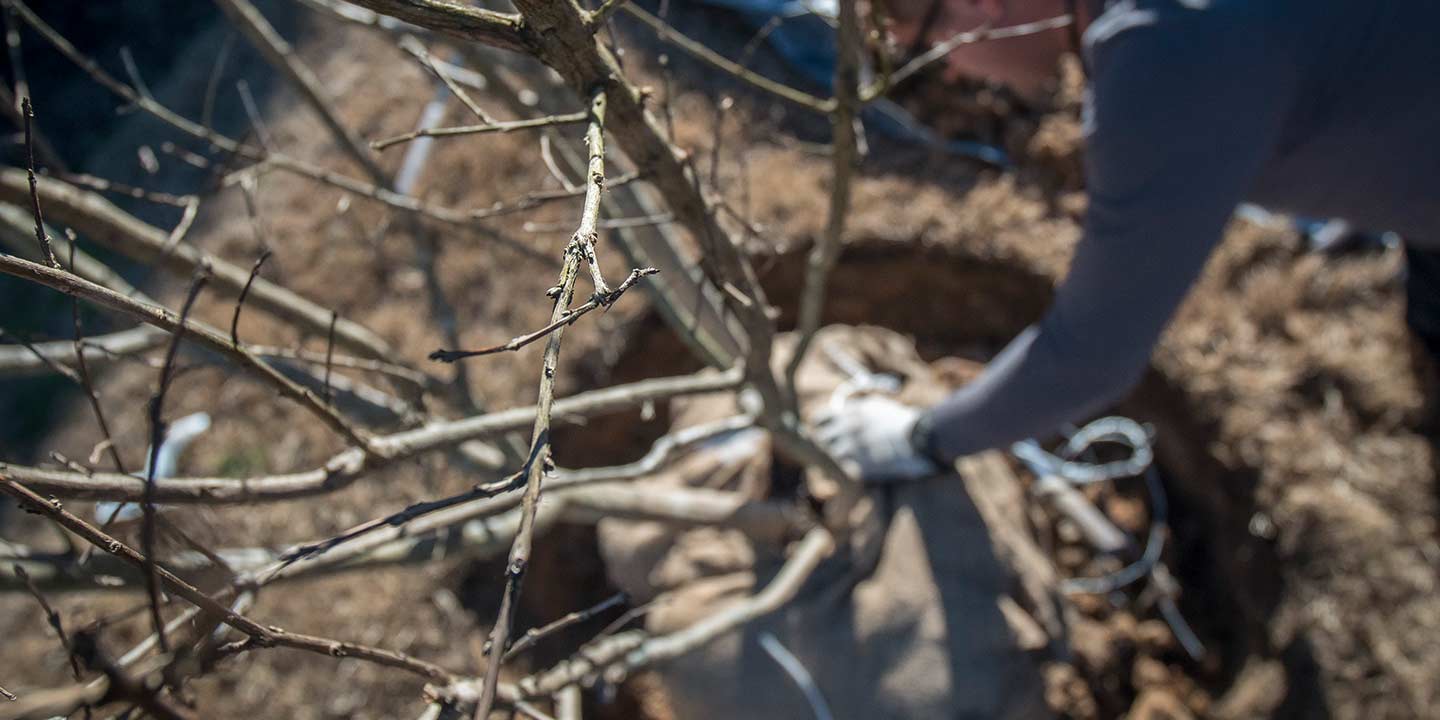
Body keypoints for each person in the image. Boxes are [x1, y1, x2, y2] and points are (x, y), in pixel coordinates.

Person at [814, 0, 1440, 480]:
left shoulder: (1162, 59)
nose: (950, 72)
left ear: (982, 4)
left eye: (932, 46)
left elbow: (1091, 355)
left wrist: (922, 438)